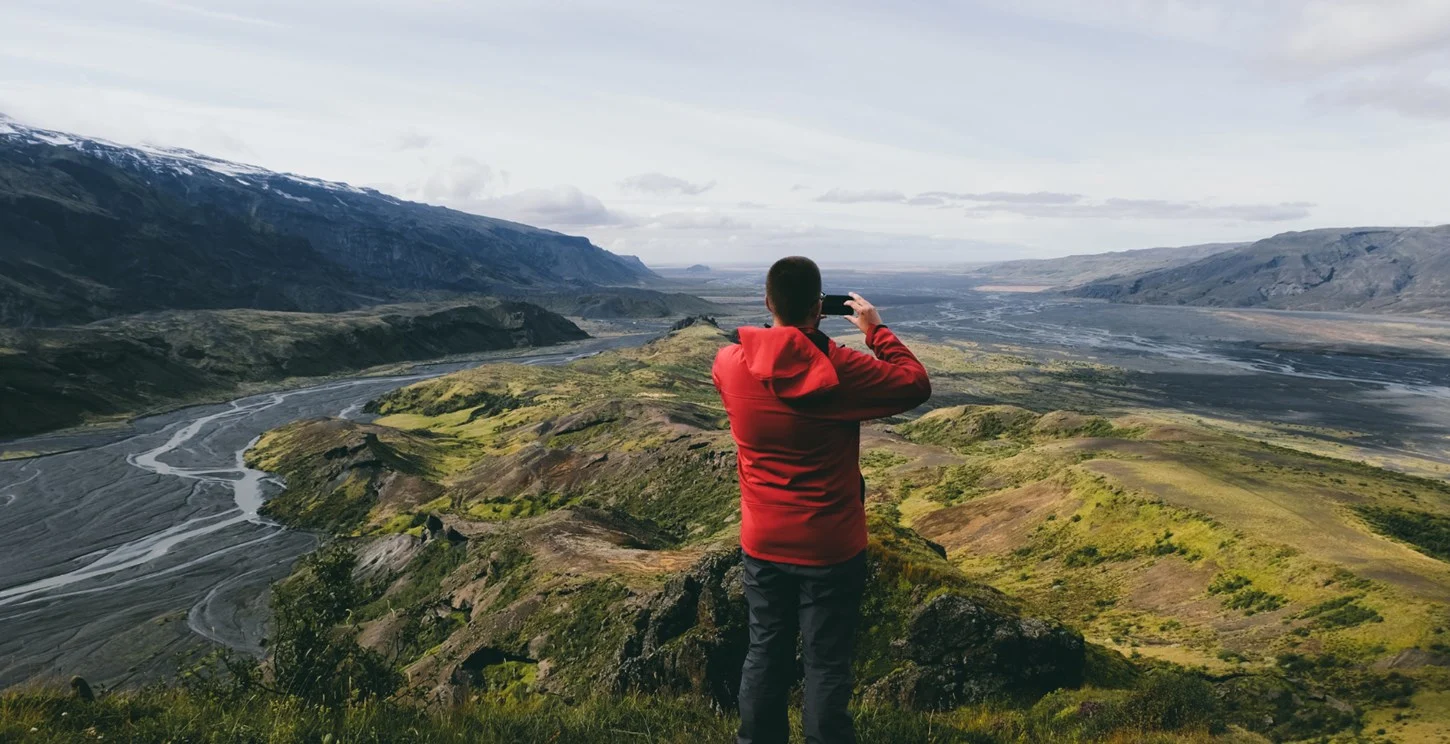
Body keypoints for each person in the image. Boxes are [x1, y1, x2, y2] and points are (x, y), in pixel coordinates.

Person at [712, 256, 932, 744]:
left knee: (764, 651)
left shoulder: (729, 364)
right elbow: (916, 382)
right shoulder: (843, 370)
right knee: (826, 663)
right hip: (831, 546)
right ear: (820, 307)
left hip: (763, 540)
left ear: (768, 302)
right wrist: (876, 331)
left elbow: (748, 363)